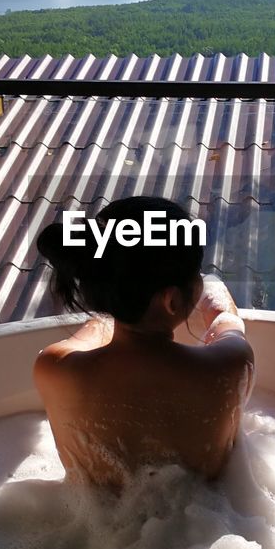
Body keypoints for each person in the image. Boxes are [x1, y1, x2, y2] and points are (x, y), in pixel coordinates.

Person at [32, 196, 254, 488]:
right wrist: (215, 299)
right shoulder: (229, 367)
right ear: (172, 300)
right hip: (208, 525)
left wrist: (119, 303)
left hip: (94, 527)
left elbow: (97, 328)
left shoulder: (54, 369)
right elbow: (226, 322)